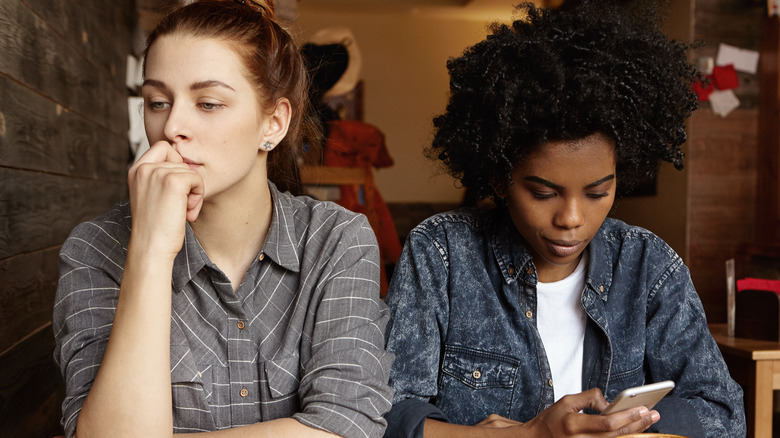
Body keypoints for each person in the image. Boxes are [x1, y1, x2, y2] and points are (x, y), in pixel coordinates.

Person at [382, 2, 745, 437]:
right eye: (542, 193)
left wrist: (627, 426)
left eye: (597, 193)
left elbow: (723, 412)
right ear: (500, 177)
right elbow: (388, 417)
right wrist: (525, 434)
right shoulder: (441, 255)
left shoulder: (648, 266)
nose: (571, 218)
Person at [52, 1, 392, 437]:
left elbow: (348, 426)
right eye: (157, 102)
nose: (172, 125)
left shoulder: (336, 239)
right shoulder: (94, 248)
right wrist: (150, 251)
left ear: (274, 123)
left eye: (208, 103)